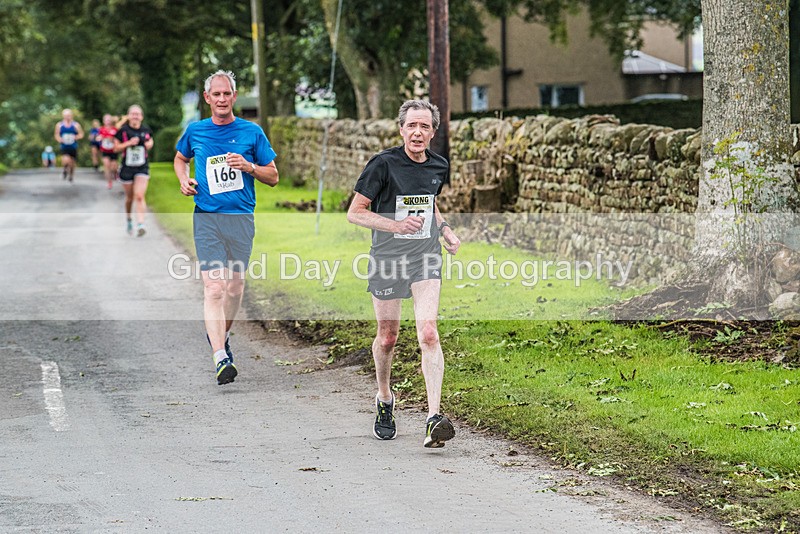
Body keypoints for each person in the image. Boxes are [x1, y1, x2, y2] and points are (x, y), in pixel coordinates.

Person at [346, 99, 461, 448]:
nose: (417, 132)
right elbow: (356, 212)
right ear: (401, 129)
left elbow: (429, 203)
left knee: (428, 333)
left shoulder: (438, 165)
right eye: (411, 125)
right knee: (388, 338)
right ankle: (384, 398)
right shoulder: (382, 164)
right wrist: (395, 225)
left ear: (433, 132)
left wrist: (444, 229)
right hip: (387, 259)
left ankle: (433, 419)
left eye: (424, 126)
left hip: (425, 256)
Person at [173, 70, 279, 386]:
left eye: (226, 94)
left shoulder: (252, 132)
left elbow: (273, 176)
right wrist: (183, 180)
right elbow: (180, 159)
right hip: (207, 218)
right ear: (207, 98)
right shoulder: (196, 131)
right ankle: (220, 356)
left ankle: (224, 333)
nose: (221, 99)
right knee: (214, 287)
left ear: (234, 96)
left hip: (241, 219)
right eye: (216, 94)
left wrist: (249, 167)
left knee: (234, 288)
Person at [114, 105, 153, 236]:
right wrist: (128, 143)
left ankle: (141, 224)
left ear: (141, 116)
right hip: (127, 168)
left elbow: (150, 142)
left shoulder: (146, 129)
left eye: (138, 114)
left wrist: (148, 144)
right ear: (129, 116)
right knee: (130, 198)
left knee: (140, 196)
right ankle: (129, 219)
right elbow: (116, 148)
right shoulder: (123, 131)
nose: (135, 116)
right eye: (133, 114)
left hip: (142, 166)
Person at [54, 109, 84, 182]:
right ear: (63, 116)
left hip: (73, 146)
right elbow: (56, 134)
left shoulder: (76, 125)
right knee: (66, 159)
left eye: (69, 115)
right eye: (66, 116)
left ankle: (71, 175)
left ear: (71, 116)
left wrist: (76, 137)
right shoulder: (59, 125)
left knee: (72, 163)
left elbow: (81, 134)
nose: (67, 117)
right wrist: (59, 139)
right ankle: (64, 169)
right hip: (64, 146)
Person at [97, 114, 119, 190]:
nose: (107, 121)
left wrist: (111, 139)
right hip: (104, 150)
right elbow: (98, 138)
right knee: (106, 165)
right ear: (103, 121)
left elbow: (118, 139)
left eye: (109, 120)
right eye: (106, 120)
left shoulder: (115, 129)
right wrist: (100, 138)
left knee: (113, 167)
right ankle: (109, 182)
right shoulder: (101, 129)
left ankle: (116, 172)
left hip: (113, 150)